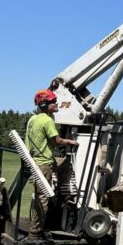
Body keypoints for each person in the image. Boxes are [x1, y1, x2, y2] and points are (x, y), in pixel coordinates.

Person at [25, 89, 78, 236]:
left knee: (65, 164)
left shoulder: (32, 119)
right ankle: (35, 231)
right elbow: (58, 141)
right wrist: (71, 141)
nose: (56, 104)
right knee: (42, 198)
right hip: (44, 164)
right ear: (43, 104)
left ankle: (60, 193)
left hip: (38, 162)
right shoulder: (48, 121)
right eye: (53, 102)